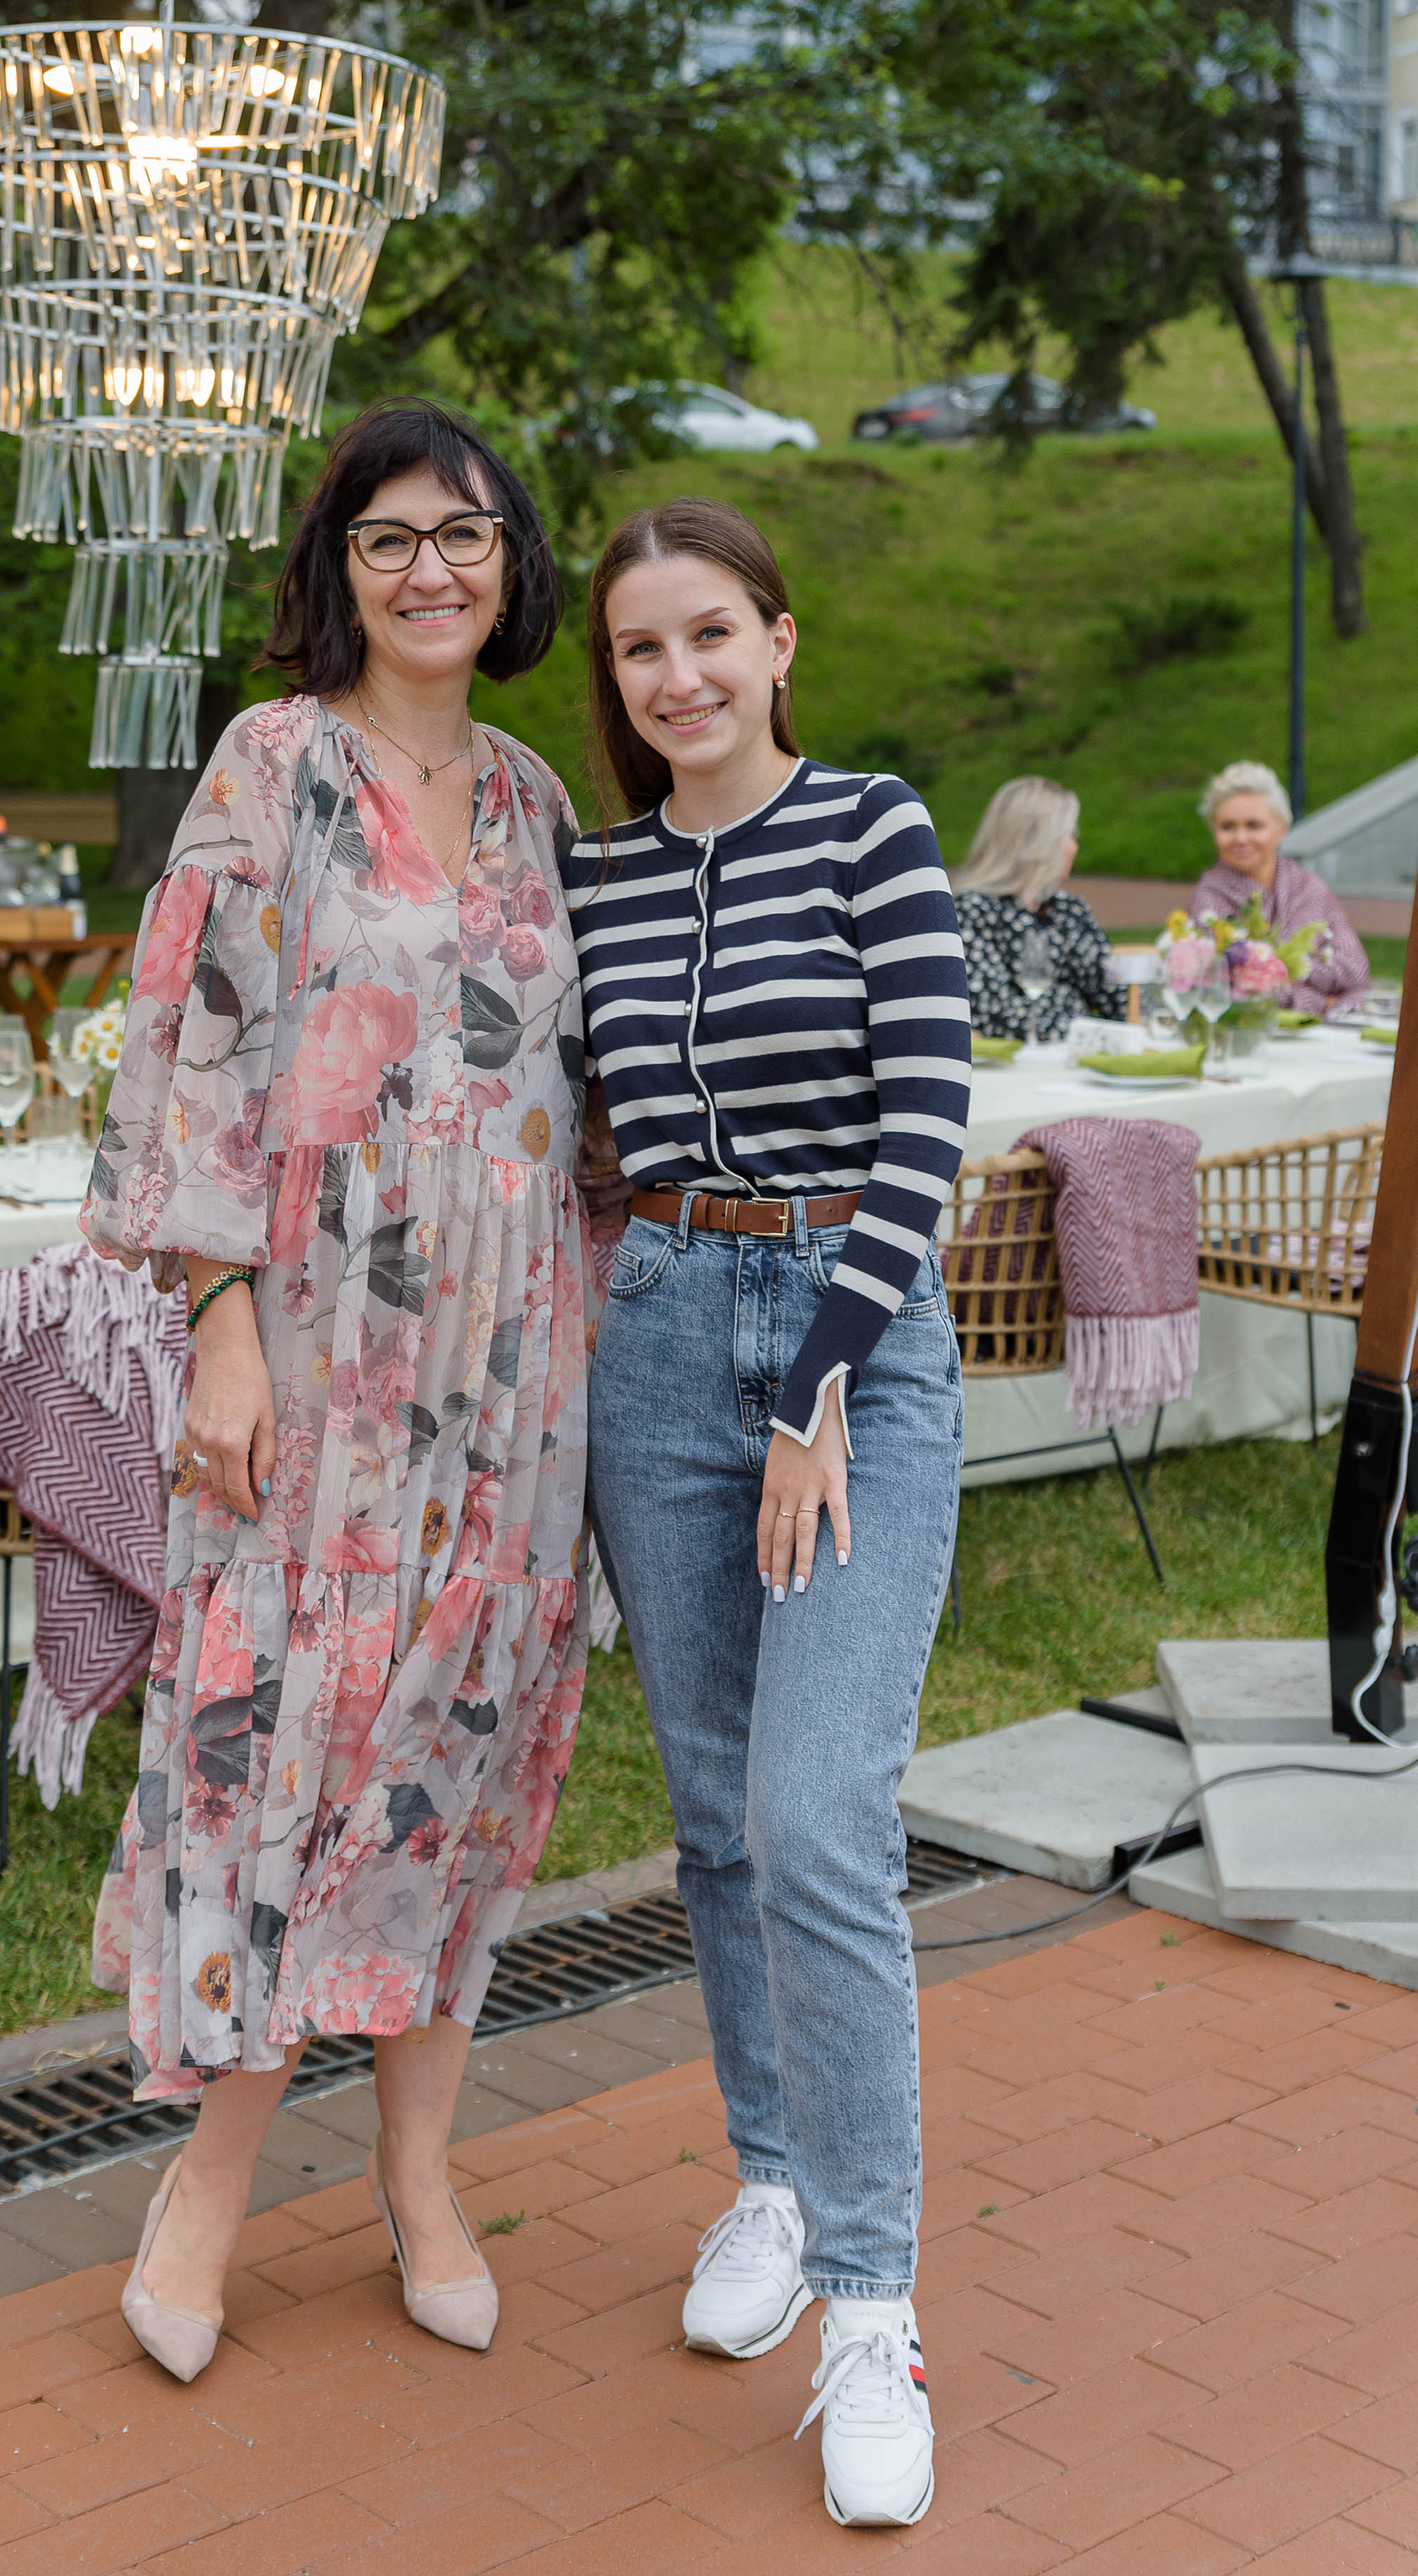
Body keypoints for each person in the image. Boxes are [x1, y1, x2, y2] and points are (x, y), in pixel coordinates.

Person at [81, 397, 591, 2380]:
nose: (429, 568)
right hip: (315, 1358)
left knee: (455, 1747)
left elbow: (584, 1101)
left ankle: (417, 2177)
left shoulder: (538, 800)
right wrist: (217, 1320)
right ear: (339, 570)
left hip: (514, 1371)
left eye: (463, 533)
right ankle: (206, 2188)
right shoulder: (273, 766)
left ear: (508, 560)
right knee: (279, 1748)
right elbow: (192, 1051)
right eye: (389, 537)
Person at [563, 498, 970, 2532]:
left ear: (777, 641)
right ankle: (774, 2183)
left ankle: (872, 2312)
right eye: (640, 647)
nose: (677, 676)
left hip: (854, 1353)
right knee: (716, 1816)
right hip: (653, 1338)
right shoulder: (592, 880)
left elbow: (927, 1124)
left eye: (708, 632)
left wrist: (812, 1381)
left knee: (817, 1816)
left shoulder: (873, 831)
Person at [1192, 759, 1371, 1015]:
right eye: (1227, 827)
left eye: (1254, 825)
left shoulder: (1309, 888)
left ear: (1281, 829)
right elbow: (1241, 992)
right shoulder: (1209, 900)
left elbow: (1356, 974)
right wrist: (1322, 1002)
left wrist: (1285, 969)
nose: (1240, 838)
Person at [952, 776, 1125, 1039]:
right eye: (1069, 835)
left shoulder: (1067, 910)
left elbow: (1121, 996)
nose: (1074, 846)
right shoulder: (972, 911)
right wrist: (1071, 1002)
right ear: (1041, 843)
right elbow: (992, 1015)